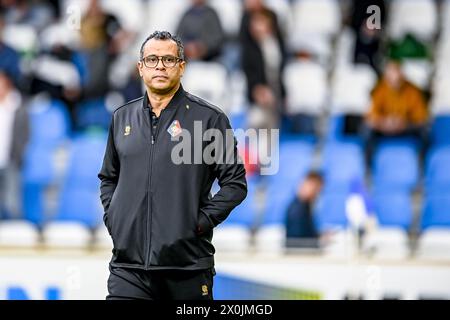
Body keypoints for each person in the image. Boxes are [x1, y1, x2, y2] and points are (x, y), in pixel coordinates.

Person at [98, 31, 247, 300]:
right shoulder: (122, 118)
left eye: (168, 59)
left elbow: (235, 185)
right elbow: (109, 177)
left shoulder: (209, 119)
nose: (160, 66)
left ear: (181, 67)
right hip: (128, 269)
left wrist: (197, 223)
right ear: (140, 67)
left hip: (187, 268)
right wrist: (115, 218)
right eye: (152, 59)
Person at [0, 69, 29, 220]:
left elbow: (25, 133)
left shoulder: (18, 106)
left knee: (12, 202)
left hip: (11, 159)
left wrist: (19, 153)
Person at [285, 172, 323, 249]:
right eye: (316, 189)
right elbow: (297, 241)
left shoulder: (306, 206)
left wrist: (319, 236)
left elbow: (307, 234)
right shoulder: (296, 210)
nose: (317, 193)